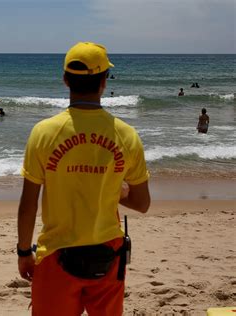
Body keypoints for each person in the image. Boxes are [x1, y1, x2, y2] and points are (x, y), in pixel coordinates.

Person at [17, 42, 151, 316]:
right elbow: (142, 203)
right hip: (107, 255)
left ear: (66, 80)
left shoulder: (44, 132)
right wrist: (116, 189)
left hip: (55, 255)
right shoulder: (126, 136)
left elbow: (28, 204)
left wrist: (23, 252)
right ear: (104, 81)